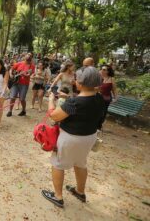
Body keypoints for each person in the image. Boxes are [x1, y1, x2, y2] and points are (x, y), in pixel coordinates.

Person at [42, 66, 104, 208]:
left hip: (71, 138)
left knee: (58, 164)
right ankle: (80, 192)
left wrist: (51, 100)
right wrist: (67, 97)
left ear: (80, 83)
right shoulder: (99, 98)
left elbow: (54, 115)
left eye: (76, 80)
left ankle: (58, 197)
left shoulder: (74, 102)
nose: (74, 81)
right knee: (80, 163)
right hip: (89, 136)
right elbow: (84, 104)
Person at [98, 64, 117, 130]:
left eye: (104, 70)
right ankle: (95, 124)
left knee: (103, 112)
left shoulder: (111, 79)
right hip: (98, 98)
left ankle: (99, 126)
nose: (102, 71)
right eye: (101, 69)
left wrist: (115, 98)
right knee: (97, 111)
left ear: (108, 71)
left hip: (106, 98)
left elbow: (114, 89)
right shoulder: (99, 78)